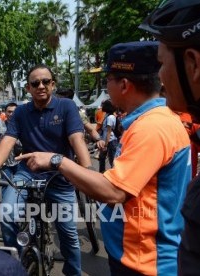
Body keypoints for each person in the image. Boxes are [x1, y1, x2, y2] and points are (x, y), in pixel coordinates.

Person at [17, 41, 191, 275]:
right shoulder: (150, 121)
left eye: (107, 80)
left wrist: (58, 161)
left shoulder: (152, 127)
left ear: (124, 84)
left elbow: (114, 192)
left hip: (145, 262)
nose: (106, 87)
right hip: (135, 255)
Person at [0, 65, 91, 276]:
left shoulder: (66, 106)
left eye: (45, 82)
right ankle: (16, 266)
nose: (41, 86)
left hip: (61, 176)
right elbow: (9, 139)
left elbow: (76, 139)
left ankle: (73, 272)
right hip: (26, 174)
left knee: (68, 234)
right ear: (28, 88)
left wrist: (87, 171)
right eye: (35, 83)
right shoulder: (21, 112)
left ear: (53, 84)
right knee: (7, 215)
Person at [139, 2, 200, 274]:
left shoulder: (153, 126)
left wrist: (58, 161)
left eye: (162, 64)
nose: (160, 80)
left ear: (194, 64)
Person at [98, 99, 119, 172]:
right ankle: (102, 172)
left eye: (103, 105)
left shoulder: (110, 117)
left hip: (110, 141)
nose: (102, 106)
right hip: (106, 140)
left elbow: (109, 131)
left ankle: (114, 175)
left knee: (112, 160)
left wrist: (106, 144)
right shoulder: (107, 115)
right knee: (102, 158)